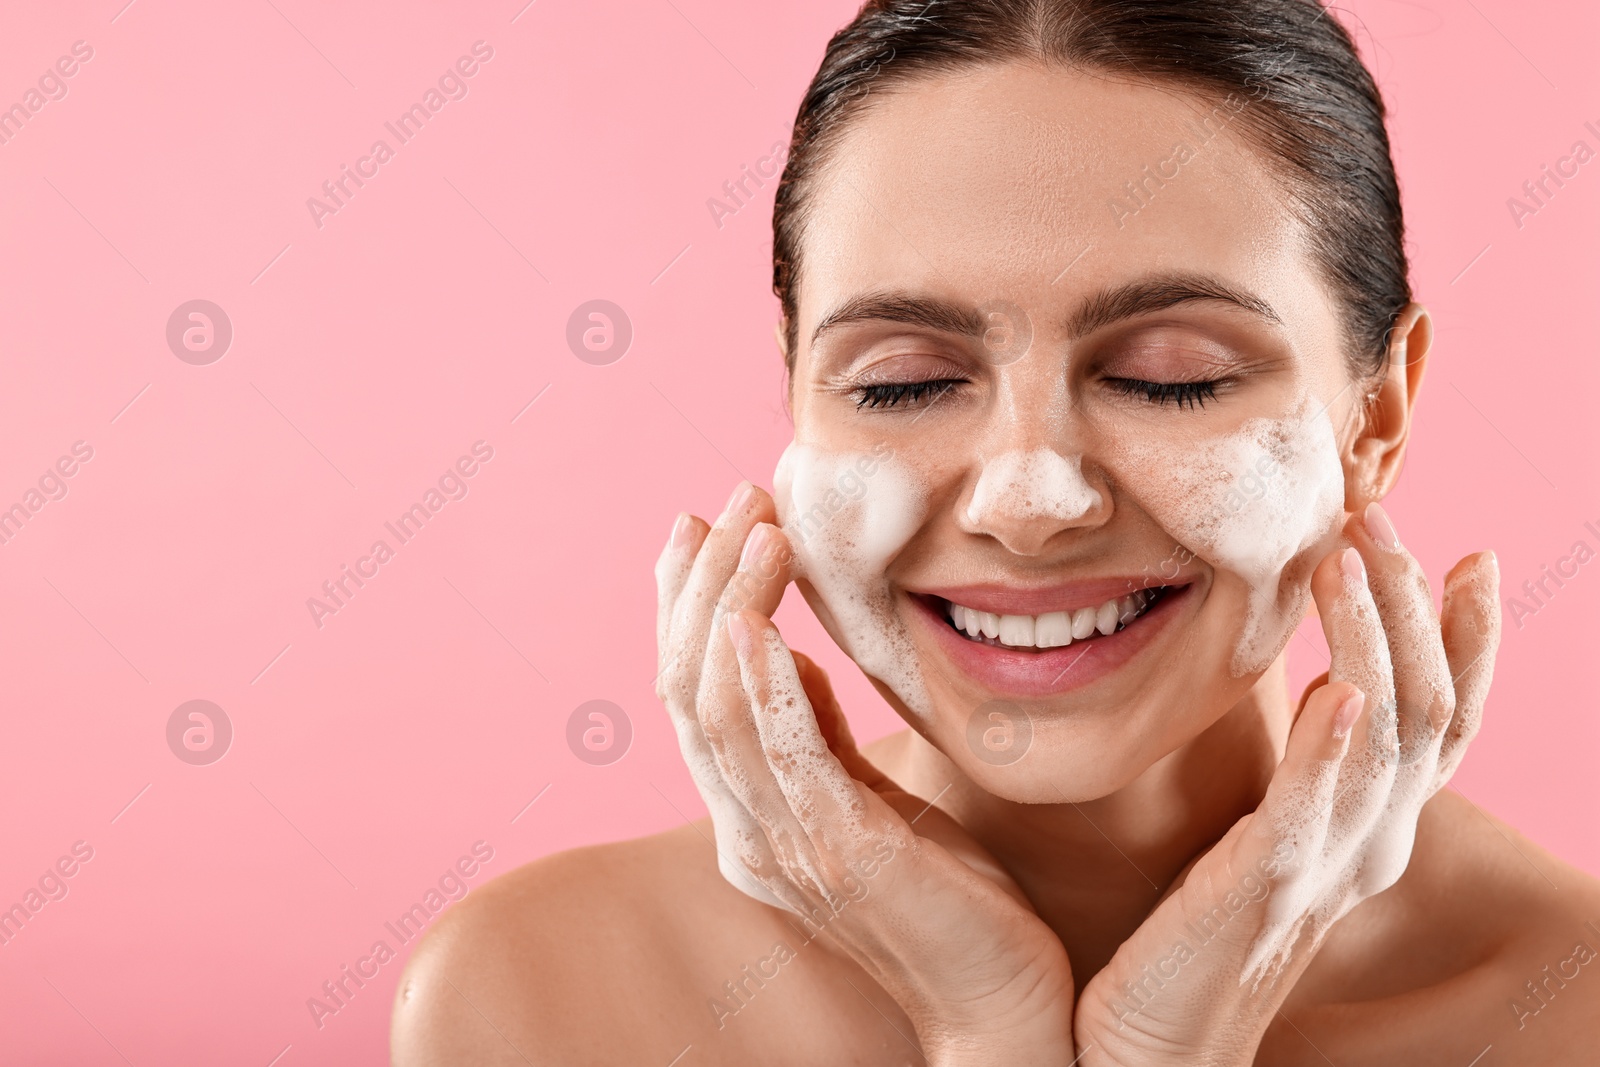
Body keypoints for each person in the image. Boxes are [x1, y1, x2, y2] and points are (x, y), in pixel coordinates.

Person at [390, 1, 1600, 1062]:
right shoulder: (542, 1002)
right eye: (904, 382)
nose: (1028, 501)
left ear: (1374, 411)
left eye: (1171, 376)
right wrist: (984, 1025)